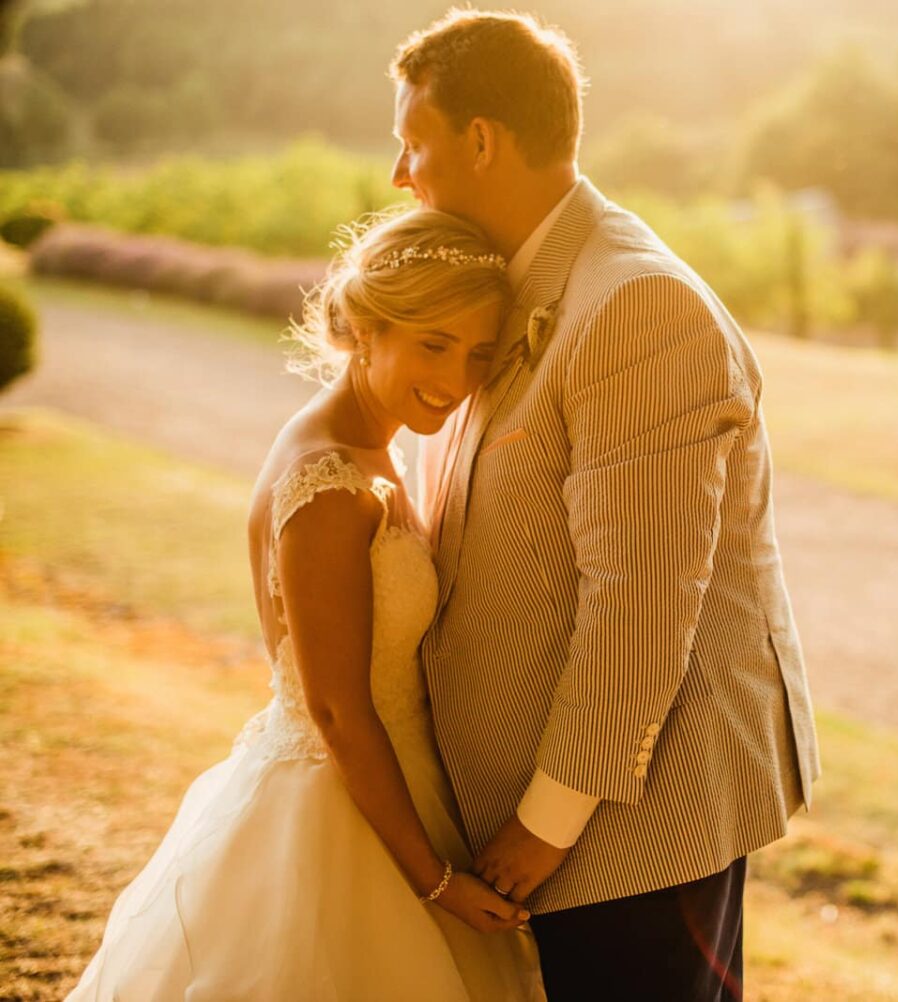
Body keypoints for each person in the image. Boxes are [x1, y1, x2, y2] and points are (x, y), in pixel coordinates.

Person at [393, 10, 821, 1000]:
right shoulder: (511, 285)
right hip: (547, 817)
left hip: (635, 822)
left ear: (483, 140)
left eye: (412, 143)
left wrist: (542, 827)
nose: (398, 175)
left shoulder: (634, 307)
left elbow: (639, 607)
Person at [66, 207, 546, 1001]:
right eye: (434, 344)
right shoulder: (328, 483)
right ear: (364, 328)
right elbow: (335, 710)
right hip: (336, 813)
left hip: (391, 783)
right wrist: (433, 885)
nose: (458, 378)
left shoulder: (370, 444)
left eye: (479, 353)